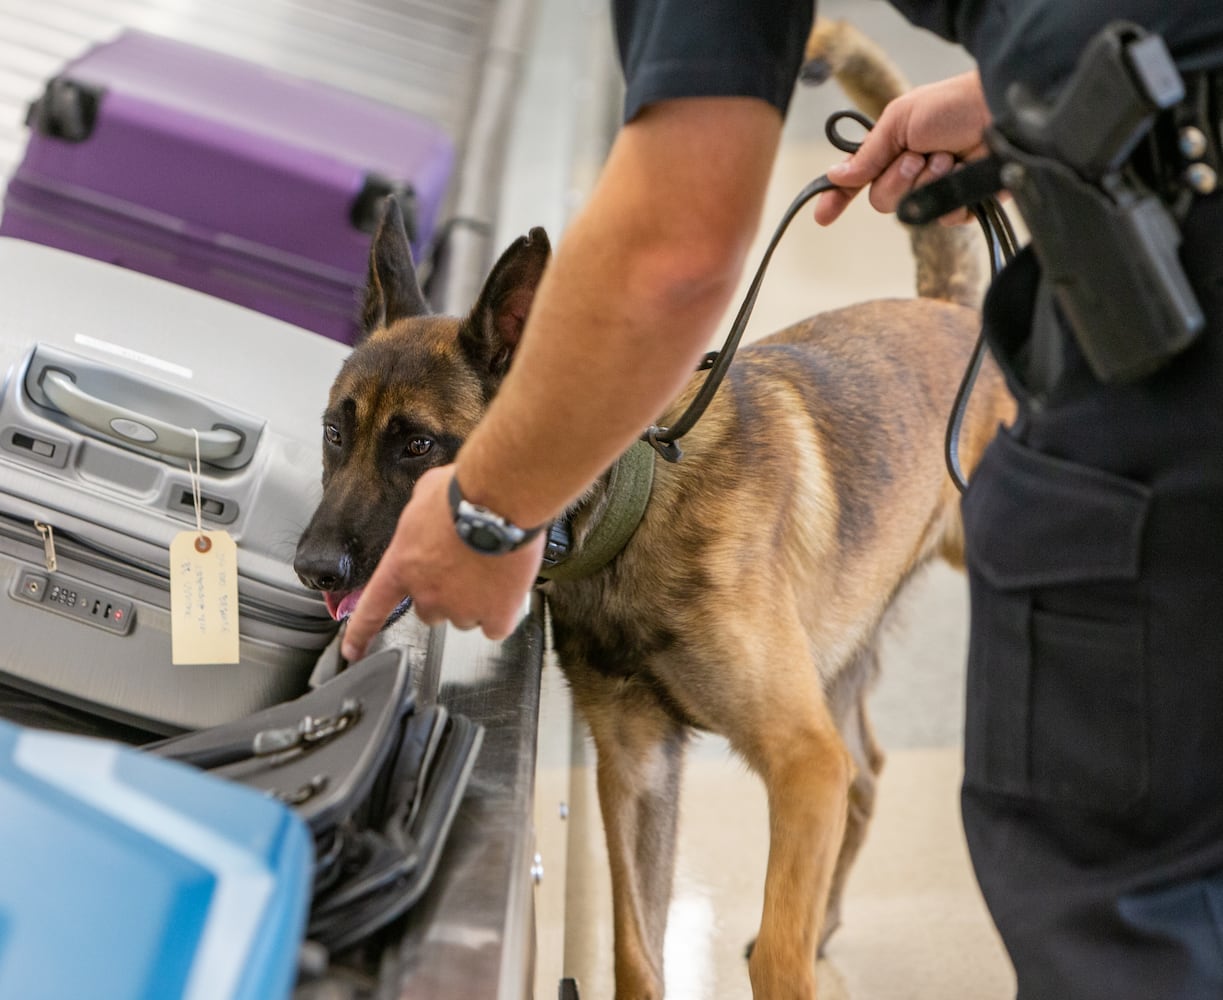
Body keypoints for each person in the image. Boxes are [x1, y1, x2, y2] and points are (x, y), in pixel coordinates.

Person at [341, 2, 1223, 997]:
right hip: (1148, 186)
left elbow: (672, 245)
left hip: (1157, 312)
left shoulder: (715, 540)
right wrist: (1015, 93)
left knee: (1109, 852)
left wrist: (487, 509)